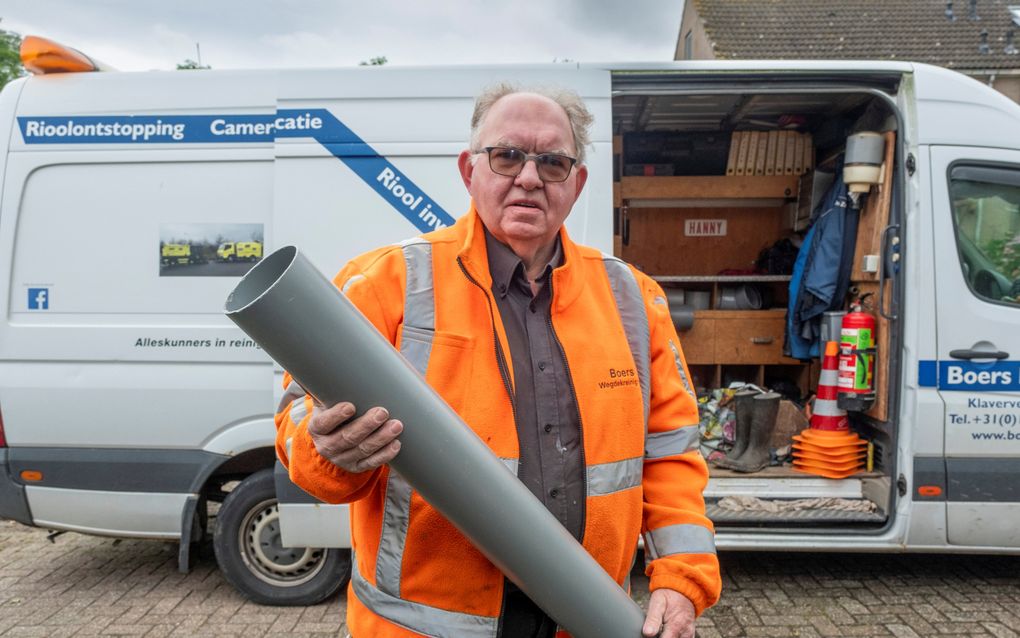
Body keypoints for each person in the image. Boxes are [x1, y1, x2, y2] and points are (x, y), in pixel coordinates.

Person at [275, 83, 721, 638]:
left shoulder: (634, 301)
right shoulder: (385, 284)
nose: (529, 178)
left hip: (586, 622)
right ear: (469, 171)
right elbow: (299, 422)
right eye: (507, 156)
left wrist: (682, 578)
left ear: (576, 184)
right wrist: (327, 451)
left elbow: (672, 455)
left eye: (553, 162)